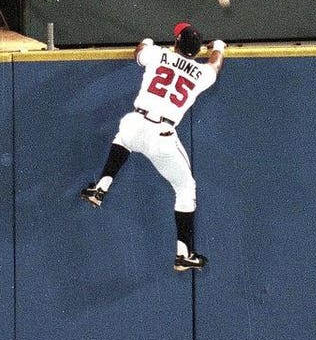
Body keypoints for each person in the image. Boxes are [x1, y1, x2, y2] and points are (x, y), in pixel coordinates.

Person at [81, 22, 225, 272]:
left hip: (136, 122)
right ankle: (184, 253)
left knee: (123, 138)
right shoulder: (202, 73)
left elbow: (139, 52)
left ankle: (101, 186)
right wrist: (219, 47)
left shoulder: (159, 54)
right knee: (185, 188)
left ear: (177, 42)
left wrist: (146, 42)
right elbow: (215, 64)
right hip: (162, 135)